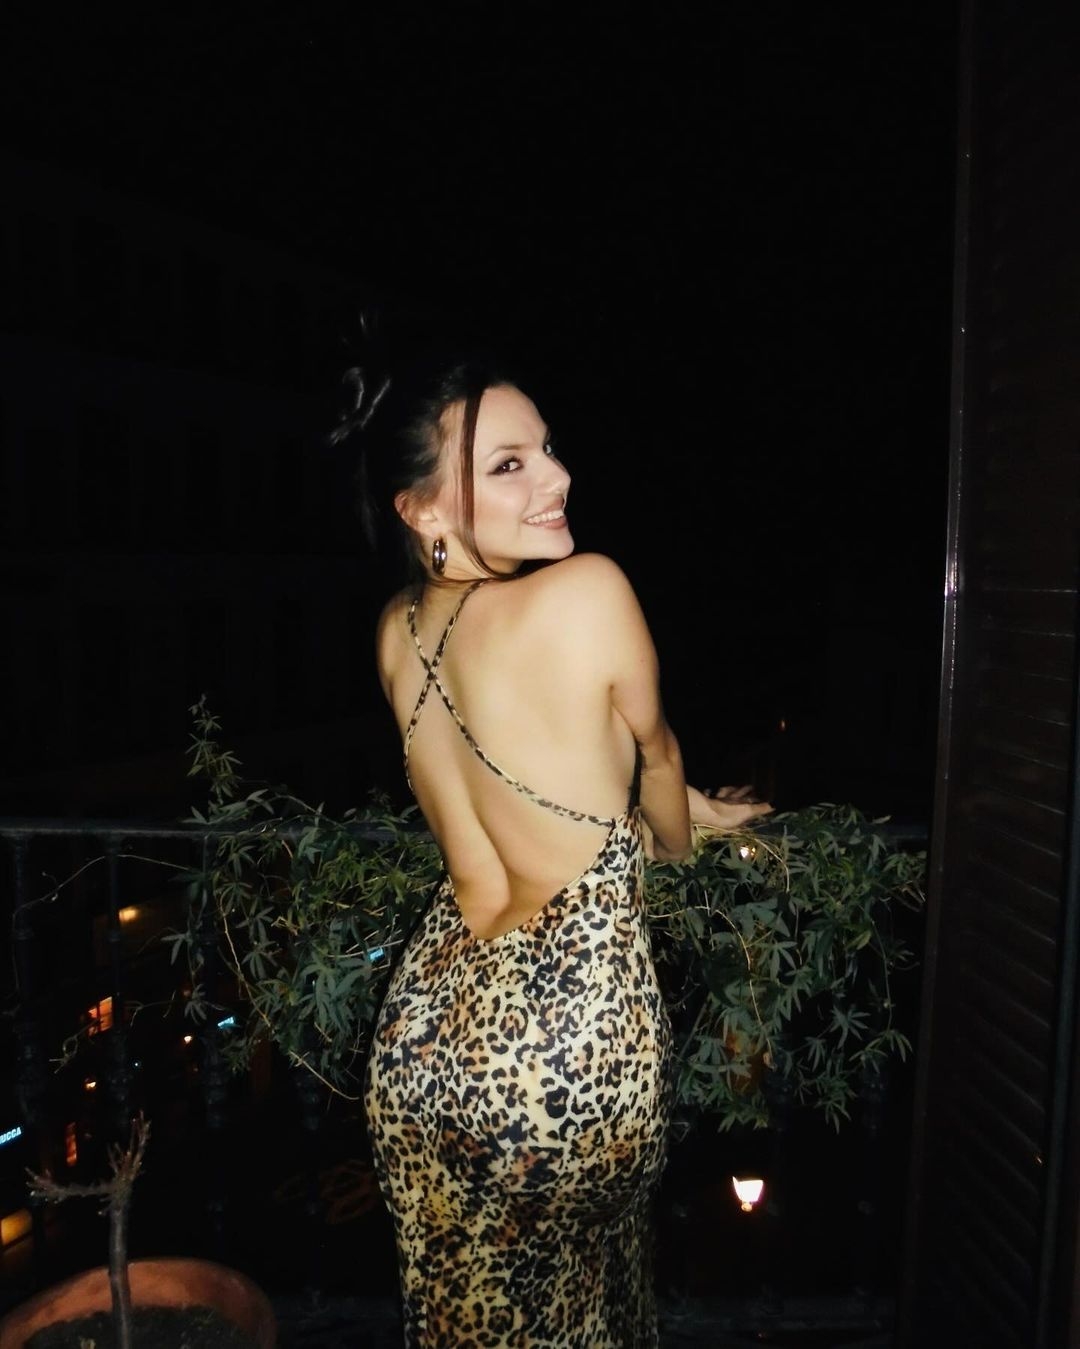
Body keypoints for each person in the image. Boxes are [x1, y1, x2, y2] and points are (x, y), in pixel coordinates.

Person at [340, 348, 771, 1347]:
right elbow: (654, 762)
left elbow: (535, 774)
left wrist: (697, 808)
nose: (557, 476)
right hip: (565, 1037)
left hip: (425, 1027)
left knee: (469, 1310)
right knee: (586, 1303)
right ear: (420, 509)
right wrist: (681, 849)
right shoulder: (587, 590)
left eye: (547, 449)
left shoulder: (396, 630)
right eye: (509, 464)